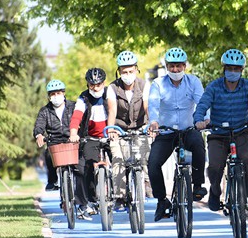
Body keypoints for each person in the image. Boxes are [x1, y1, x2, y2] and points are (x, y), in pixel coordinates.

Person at [194, 48, 248, 212]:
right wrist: (199, 120)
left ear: (241, 70)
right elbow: (203, 105)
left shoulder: (247, 85)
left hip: (241, 132)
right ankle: (215, 191)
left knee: (246, 159)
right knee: (214, 166)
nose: (232, 72)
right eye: (229, 68)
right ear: (224, 69)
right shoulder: (214, 86)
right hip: (218, 134)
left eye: (236, 69)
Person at [147, 47, 208, 222]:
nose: (175, 70)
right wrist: (154, 121)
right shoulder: (158, 84)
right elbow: (153, 105)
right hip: (166, 132)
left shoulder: (193, 81)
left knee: (198, 145)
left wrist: (205, 119)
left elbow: (202, 102)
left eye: (178, 66)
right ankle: (161, 200)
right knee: (153, 164)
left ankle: (197, 185)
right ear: (167, 67)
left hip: (188, 130)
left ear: (185, 66)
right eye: (172, 66)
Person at [106, 51, 151, 210]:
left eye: (131, 71)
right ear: (119, 71)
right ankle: (120, 196)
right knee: (118, 159)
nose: (127, 74)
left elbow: (147, 107)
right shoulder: (112, 88)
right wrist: (111, 129)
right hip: (119, 129)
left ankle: (145, 183)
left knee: (145, 156)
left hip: (140, 128)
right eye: (124, 71)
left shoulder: (144, 85)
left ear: (136, 69)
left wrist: (151, 125)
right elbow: (112, 110)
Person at [68, 68, 109, 219]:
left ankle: (122, 196)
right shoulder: (83, 98)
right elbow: (77, 116)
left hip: (111, 135)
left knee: (120, 161)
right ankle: (92, 199)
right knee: (89, 167)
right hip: (91, 137)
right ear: (87, 84)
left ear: (103, 83)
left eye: (98, 84)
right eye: (92, 84)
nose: (95, 87)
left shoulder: (109, 93)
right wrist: (73, 132)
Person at [33, 79, 76, 191]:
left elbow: (82, 120)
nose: (56, 96)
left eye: (58, 93)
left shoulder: (73, 106)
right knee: (48, 155)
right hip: (54, 141)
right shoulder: (45, 111)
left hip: (72, 139)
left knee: (81, 163)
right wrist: (39, 135)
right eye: (53, 94)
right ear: (49, 96)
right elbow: (39, 125)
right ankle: (52, 181)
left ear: (63, 93)